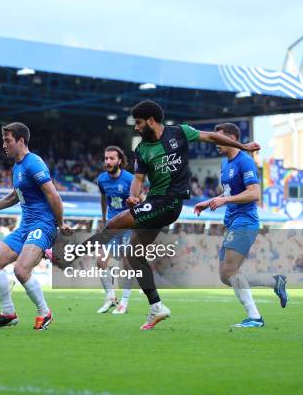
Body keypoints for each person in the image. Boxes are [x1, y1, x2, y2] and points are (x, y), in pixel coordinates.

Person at [71, 100, 260, 330]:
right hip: (154, 201)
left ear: (151, 120)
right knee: (132, 255)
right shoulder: (141, 150)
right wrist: (133, 196)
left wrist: (242, 146)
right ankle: (156, 307)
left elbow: (211, 137)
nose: (137, 128)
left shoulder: (179, 133)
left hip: (170, 201)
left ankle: (72, 253)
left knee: (115, 222)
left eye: (139, 123)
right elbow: (138, 181)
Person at [0, 122, 72, 330]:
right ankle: (8, 313)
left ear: (21, 141)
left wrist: (60, 223)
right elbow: (15, 197)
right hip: (25, 226)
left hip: (43, 225)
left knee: (21, 269)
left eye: (8, 140)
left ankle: (44, 313)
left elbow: (53, 194)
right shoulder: (18, 167)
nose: (4, 145)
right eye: (3, 140)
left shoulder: (34, 163)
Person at [194, 122, 287, 328]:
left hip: (245, 221)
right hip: (233, 221)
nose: (216, 143)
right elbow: (229, 194)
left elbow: (254, 193)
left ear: (232, 139)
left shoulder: (245, 161)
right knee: (226, 276)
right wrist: (209, 202)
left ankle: (255, 318)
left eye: (219, 139)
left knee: (230, 271)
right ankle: (274, 281)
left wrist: (225, 201)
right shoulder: (225, 163)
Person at [96, 146, 135, 315]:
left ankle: (124, 302)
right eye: (106, 158)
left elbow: (139, 199)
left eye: (112, 158)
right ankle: (110, 297)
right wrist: (104, 219)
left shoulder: (130, 179)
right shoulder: (101, 180)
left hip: (129, 225)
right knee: (100, 259)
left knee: (127, 262)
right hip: (112, 225)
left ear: (119, 161)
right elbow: (104, 198)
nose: (108, 162)